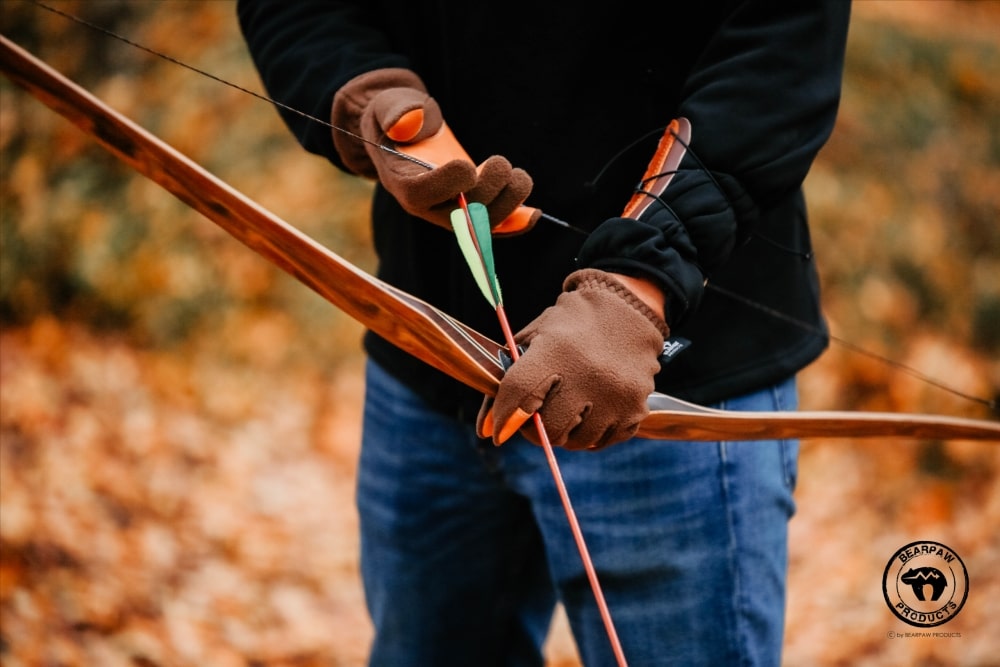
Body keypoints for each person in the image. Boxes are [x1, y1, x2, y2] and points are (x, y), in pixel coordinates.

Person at [237, 2, 850, 665]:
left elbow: (781, 48)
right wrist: (368, 96)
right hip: (432, 358)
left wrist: (640, 282)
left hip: (663, 388)